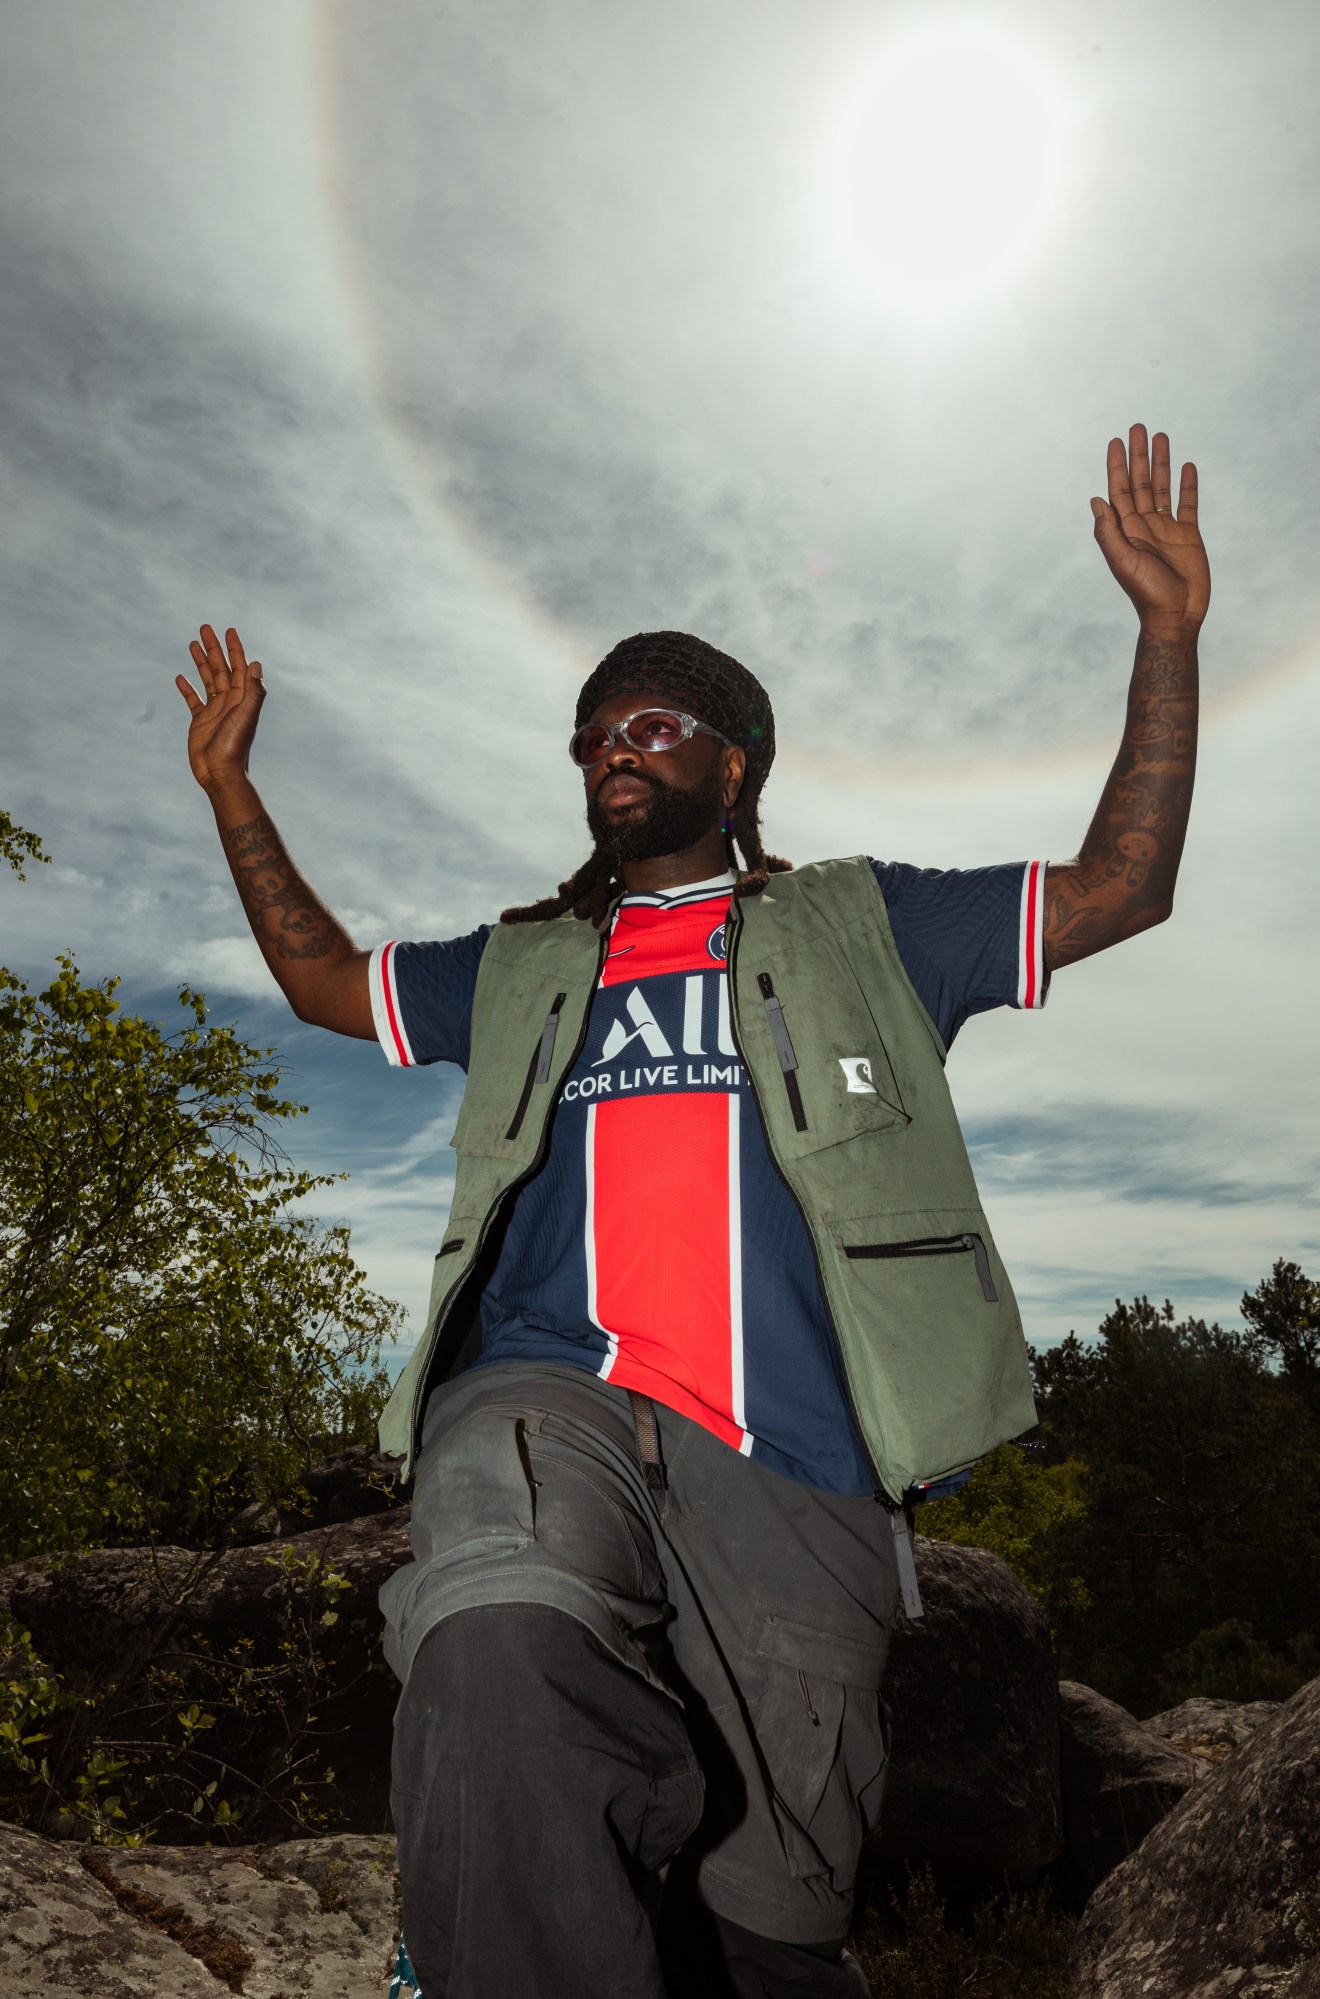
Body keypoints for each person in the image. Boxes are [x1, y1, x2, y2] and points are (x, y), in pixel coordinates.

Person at [176, 424, 1209, 1997]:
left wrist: (1162, 638)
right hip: (546, 1393)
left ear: (733, 766)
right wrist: (232, 791)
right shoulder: (523, 960)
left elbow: (1117, 886)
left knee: (770, 1912)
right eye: (591, 728)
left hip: (787, 1452)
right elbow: (324, 983)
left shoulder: (867, 923)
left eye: (652, 724)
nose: (612, 745)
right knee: (497, 1638)